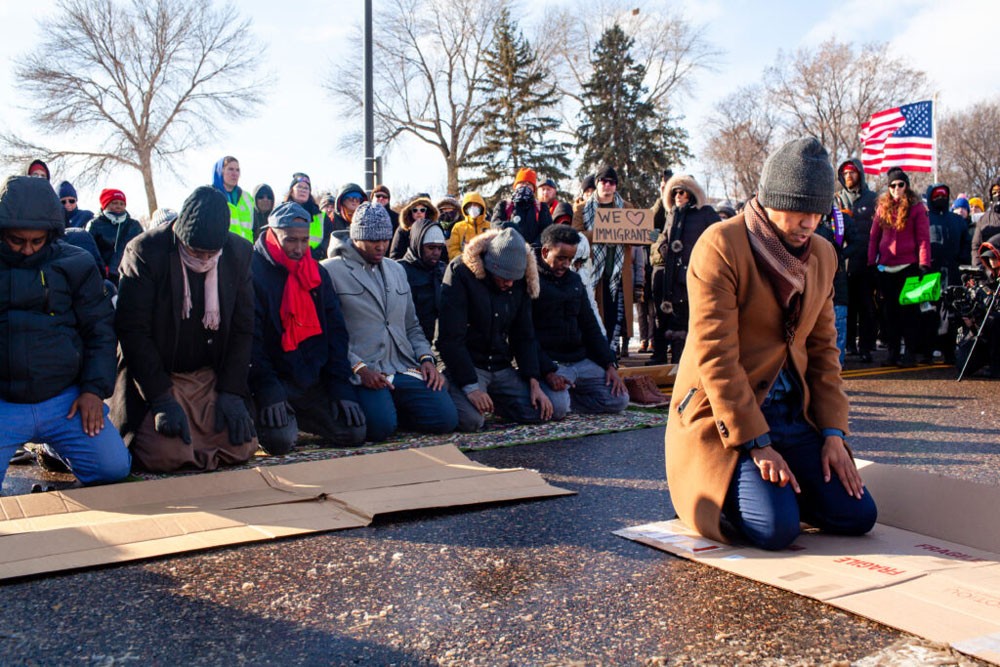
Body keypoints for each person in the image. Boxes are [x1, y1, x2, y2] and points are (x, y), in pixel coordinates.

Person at [665, 137, 877, 551]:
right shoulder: (720, 245)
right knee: (777, 530)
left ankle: (786, 494)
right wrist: (757, 442)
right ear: (772, 199)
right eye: (799, 211)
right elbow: (716, 357)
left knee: (858, 515)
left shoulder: (823, 255)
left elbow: (824, 353)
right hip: (725, 416)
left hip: (793, 417)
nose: (809, 223)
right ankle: (726, 493)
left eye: (817, 213)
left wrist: (833, 433)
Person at [112, 186, 258, 472]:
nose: (203, 260)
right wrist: (160, 399)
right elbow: (132, 331)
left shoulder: (238, 252)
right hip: (158, 377)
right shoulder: (145, 251)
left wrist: (231, 392)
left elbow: (243, 329)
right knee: (165, 455)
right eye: (195, 252)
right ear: (179, 236)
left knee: (241, 446)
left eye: (211, 253)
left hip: (208, 377)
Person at [0, 175, 131, 491]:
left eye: (37, 241)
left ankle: (53, 448)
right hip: (5, 403)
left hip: (65, 399)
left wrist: (93, 390)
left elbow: (100, 330)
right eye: (17, 241)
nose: (28, 250)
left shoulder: (76, 263)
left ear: (52, 233)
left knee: (113, 468)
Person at [324, 203, 458, 441]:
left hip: (401, 366)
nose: (381, 246)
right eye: (373, 241)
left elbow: (412, 326)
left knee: (446, 419)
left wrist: (426, 359)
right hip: (364, 370)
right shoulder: (330, 271)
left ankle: (393, 407)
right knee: (381, 428)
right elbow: (329, 333)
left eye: (385, 240)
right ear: (356, 237)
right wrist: (359, 368)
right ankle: (385, 411)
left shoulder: (396, 270)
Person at [249, 202, 366, 454]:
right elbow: (250, 341)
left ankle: (298, 418)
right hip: (273, 380)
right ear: (273, 234)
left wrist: (340, 386)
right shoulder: (252, 271)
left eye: (305, 240)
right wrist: (267, 389)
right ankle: (264, 414)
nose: (300, 249)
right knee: (280, 442)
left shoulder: (316, 271)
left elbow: (336, 333)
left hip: (311, 380)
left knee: (355, 431)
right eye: (291, 240)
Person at [437, 227, 554, 432]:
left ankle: (497, 402)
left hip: (500, 366)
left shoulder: (521, 279)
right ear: (490, 266)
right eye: (503, 277)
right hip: (469, 364)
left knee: (550, 409)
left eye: (514, 279)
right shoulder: (461, 272)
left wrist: (533, 381)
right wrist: (471, 388)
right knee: (472, 421)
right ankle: (460, 393)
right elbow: (450, 338)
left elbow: (524, 335)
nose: (509, 283)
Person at [534, 225, 629, 417]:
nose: (566, 265)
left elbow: (590, 325)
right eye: (561, 258)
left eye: (570, 259)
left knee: (619, 399)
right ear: (545, 252)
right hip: (552, 363)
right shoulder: (531, 281)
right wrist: (547, 371)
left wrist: (609, 364)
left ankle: (570, 399)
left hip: (580, 360)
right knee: (557, 409)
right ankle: (563, 400)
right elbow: (525, 334)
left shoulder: (574, 281)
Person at [647, 174, 720, 364]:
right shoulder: (672, 213)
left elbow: (721, 235)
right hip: (670, 275)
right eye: (674, 193)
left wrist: (702, 255)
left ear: (691, 194)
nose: (678, 196)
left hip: (695, 273)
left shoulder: (705, 212)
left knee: (689, 317)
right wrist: (663, 247)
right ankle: (670, 362)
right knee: (668, 316)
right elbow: (662, 235)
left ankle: (686, 363)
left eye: (682, 192)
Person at [868, 168, 931, 366]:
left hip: (909, 267)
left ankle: (910, 354)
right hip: (886, 268)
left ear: (906, 186)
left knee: (909, 314)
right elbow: (873, 238)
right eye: (892, 185)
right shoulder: (882, 208)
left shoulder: (917, 208)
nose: (896, 188)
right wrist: (871, 263)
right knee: (890, 314)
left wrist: (924, 264)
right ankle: (892, 353)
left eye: (900, 185)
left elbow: (923, 239)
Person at [572, 166, 637, 353]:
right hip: (593, 271)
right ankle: (596, 352)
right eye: (603, 181)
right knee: (593, 315)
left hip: (617, 272)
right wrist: (600, 232)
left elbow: (635, 235)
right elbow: (575, 236)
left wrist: (649, 235)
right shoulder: (582, 209)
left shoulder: (627, 209)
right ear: (597, 183)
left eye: (612, 182)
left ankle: (611, 353)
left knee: (614, 315)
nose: (607, 185)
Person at [836, 158, 879, 362]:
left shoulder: (873, 199)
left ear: (860, 174)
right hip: (844, 263)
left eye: (852, 172)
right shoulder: (838, 199)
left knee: (866, 307)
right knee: (848, 307)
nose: (848, 176)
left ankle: (866, 347)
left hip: (867, 261)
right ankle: (850, 344)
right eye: (845, 173)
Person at [925, 183, 970, 363]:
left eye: (943, 195)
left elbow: (966, 244)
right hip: (929, 272)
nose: (940, 199)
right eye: (936, 196)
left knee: (951, 314)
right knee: (929, 312)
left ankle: (949, 353)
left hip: (952, 272)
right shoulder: (924, 219)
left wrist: (963, 266)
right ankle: (927, 352)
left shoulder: (957, 220)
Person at [815, 208, 858, 366]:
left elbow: (857, 242)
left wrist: (839, 256)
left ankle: (835, 364)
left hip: (836, 278)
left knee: (837, 322)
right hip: (812, 277)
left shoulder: (840, 218)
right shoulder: (807, 217)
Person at [399, 217, 447, 343]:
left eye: (440, 248)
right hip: (407, 341)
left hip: (434, 342)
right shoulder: (400, 271)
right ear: (418, 245)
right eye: (431, 247)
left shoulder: (442, 270)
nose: (436, 253)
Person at [86, 188, 142, 286]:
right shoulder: (95, 225)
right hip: (104, 277)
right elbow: (90, 250)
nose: (118, 206)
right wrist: (103, 269)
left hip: (130, 275)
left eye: (122, 204)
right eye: (114, 203)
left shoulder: (134, 225)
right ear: (106, 204)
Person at [491, 168, 552, 246]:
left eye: (529, 184)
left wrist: (535, 246)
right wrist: (509, 228)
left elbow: (547, 231)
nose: (525, 186)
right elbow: (495, 225)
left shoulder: (541, 208)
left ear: (533, 189)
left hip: (534, 251)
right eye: (522, 183)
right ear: (515, 186)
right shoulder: (504, 205)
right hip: (508, 250)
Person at [283, 173, 327, 261]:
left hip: (314, 262)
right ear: (291, 191)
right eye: (299, 187)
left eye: (306, 188)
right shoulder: (281, 214)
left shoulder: (321, 216)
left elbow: (327, 243)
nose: (303, 190)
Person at [212, 156, 256, 243]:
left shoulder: (247, 197)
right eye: (230, 169)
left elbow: (254, 228)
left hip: (244, 248)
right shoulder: (210, 196)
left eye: (237, 170)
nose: (235, 173)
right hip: (220, 247)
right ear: (220, 171)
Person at [389, 195, 438, 261]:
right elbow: (395, 256)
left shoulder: (434, 229)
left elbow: (442, 255)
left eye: (422, 210)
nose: (419, 212)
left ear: (427, 212)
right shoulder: (403, 230)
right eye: (415, 210)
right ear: (410, 212)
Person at [446, 192, 490, 260]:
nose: (473, 207)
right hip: (464, 264)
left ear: (481, 206)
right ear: (465, 208)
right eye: (469, 205)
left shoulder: (489, 226)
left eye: (476, 204)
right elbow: (453, 250)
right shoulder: (458, 227)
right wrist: (466, 258)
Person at [971, 177, 1000, 267]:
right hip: (989, 270)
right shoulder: (984, 219)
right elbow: (976, 246)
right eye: (994, 193)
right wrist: (980, 267)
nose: (998, 195)